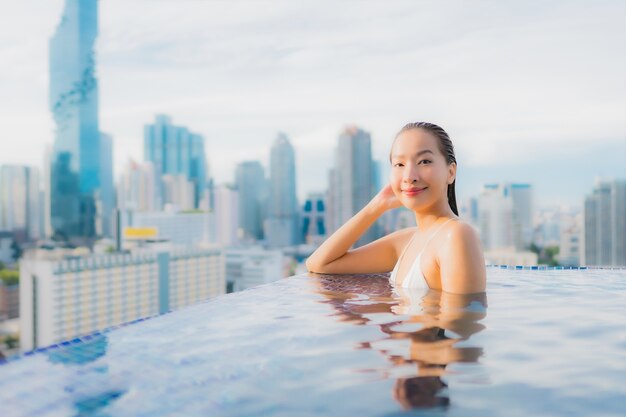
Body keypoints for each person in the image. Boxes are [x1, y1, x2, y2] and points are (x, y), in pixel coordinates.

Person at [306, 122, 486, 294]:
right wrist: (376, 206)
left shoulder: (456, 235)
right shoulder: (407, 240)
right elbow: (319, 264)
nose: (409, 176)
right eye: (399, 164)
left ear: (451, 172)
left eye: (424, 161)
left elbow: (463, 322)